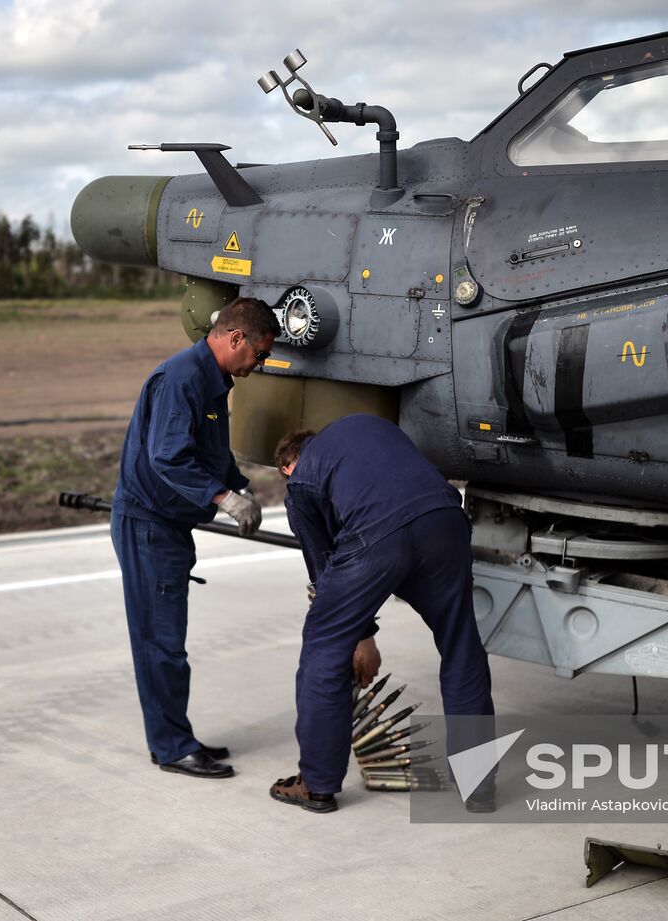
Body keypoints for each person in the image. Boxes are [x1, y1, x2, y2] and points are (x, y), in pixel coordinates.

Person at [267, 414, 495, 813]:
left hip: (377, 536)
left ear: (290, 465)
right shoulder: (368, 428)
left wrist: (360, 636)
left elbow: (324, 572)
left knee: (323, 647)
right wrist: (365, 632)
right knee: (461, 645)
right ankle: (479, 786)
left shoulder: (301, 481)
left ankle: (317, 784)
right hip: (443, 518)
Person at [110, 297, 280, 779]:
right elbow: (169, 458)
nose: (260, 364)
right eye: (259, 354)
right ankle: (171, 747)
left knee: (170, 641)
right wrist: (224, 498)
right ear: (235, 338)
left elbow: (208, 450)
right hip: (149, 527)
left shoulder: (210, 380)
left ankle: (175, 735)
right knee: (161, 643)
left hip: (167, 526)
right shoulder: (183, 379)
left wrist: (241, 488)